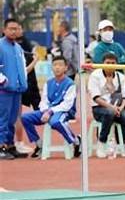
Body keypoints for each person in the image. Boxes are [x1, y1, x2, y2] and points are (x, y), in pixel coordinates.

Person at [21, 56, 81, 158]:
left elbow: (67, 104)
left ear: (66, 68)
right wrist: (45, 111)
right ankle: (39, 145)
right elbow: (44, 101)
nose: (57, 67)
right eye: (55, 65)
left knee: (55, 122)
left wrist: (50, 112)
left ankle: (76, 142)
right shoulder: (48, 83)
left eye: (60, 65)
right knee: (25, 118)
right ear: (51, 67)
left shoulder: (70, 84)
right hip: (48, 110)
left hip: (64, 111)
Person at [88, 52, 125, 158]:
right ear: (102, 63)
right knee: (109, 113)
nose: (110, 65)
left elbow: (124, 96)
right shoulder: (95, 75)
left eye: (113, 63)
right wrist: (111, 107)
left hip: (117, 107)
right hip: (99, 109)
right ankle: (102, 143)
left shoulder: (120, 76)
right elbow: (96, 97)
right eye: (107, 63)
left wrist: (120, 108)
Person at [0, 18, 28, 160]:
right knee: (2, 119)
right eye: (10, 28)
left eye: (16, 29)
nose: (13, 31)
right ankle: (1, 146)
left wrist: (23, 83)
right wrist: (3, 81)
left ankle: (10, 146)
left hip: (17, 89)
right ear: (4, 30)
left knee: (12, 119)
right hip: (3, 90)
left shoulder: (18, 48)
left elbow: (21, 68)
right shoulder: (0, 46)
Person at [15, 23, 40, 154]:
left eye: (19, 28)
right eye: (14, 29)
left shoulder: (23, 44)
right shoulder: (10, 48)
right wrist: (35, 60)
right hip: (10, 86)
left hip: (18, 86)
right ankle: (15, 143)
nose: (18, 31)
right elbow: (24, 71)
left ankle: (16, 143)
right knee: (14, 117)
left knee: (16, 116)